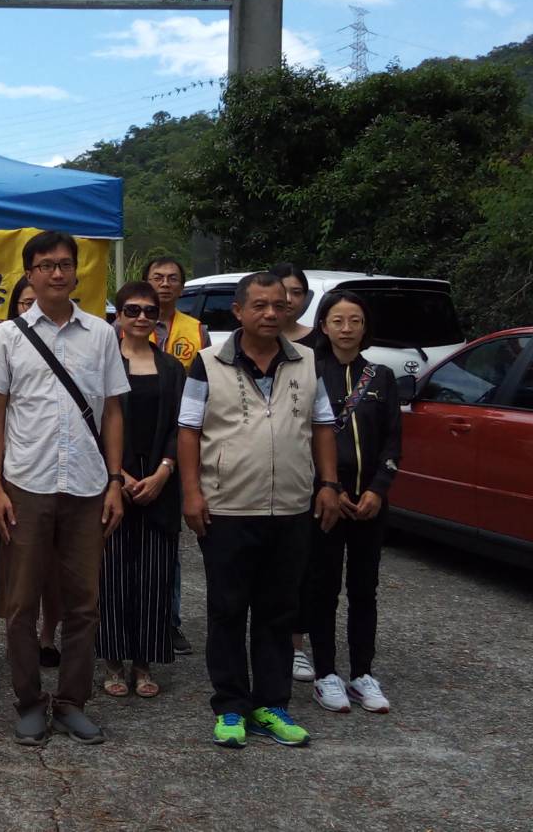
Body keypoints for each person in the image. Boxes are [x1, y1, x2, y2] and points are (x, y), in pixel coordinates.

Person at [177, 271, 342, 750]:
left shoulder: (309, 361)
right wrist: (192, 493)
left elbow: (323, 424)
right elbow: (188, 430)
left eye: (280, 305)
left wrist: (328, 483)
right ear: (239, 311)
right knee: (227, 608)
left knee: (277, 611)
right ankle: (230, 706)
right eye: (260, 306)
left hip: (291, 507)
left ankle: (271, 704)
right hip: (227, 506)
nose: (272, 313)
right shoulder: (207, 364)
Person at [0, 231, 128, 747]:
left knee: (84, 604)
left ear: (78, 271)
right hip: (27, 484)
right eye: (46, 265)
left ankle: (71, 702)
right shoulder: (8, 335)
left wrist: (115, 480)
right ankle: (28, 702)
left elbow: (113, 411)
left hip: (89, 487)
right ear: (29, 274)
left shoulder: (101, 334)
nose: (58, 273)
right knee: (21, 603)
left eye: (66, 264)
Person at [304, 290, 400, 715]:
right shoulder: (309, 372)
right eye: (338, 321)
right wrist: (330, 487)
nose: (346, 329)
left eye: (355, 321)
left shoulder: (381, 377)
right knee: (322, 588)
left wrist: (379, 488)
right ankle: (326, 673)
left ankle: (362, 672)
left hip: (370, 504)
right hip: (325, 501)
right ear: (323, 325)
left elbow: (394, 438)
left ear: (365, 328)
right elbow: (300, 437)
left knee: (365, 589)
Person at [98, 281, 184, 700]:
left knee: (154, 577)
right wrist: (120, 475)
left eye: (149, 311)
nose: (141, 318)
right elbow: (93, 425)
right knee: (112, 576)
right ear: (118, 314)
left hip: (160, 486)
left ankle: (144, 662)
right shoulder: (102, 364)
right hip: (112, 484)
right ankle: (113, 660)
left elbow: (181, 427)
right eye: (132, 310)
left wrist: (166, 471)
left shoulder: (172, 368)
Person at [142, 256, 209, 658]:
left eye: (172, 279)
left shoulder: (195, 330)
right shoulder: (123, 325)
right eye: (157, 278)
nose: (165, 285)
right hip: (134, 437)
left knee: (169, 538)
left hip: (178, 438)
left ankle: (170, 619)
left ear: (182, 287)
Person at [6, 276, 61, 667]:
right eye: (23, 303)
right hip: (19, 474)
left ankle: (49, 635)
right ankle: (19, 654)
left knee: (57, 570)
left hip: (70, 478)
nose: (30, 309)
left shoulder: (89, 336)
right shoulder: (5, 342)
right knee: (21, 575)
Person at [272, 262, 322, 681]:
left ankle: (298, 644)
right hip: (253, 483)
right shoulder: (239, 350)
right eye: (279, 292)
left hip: (306, 475)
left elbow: (323, 420)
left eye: (295, 292)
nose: (286, 301)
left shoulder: (316, 349)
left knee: (304, 568)